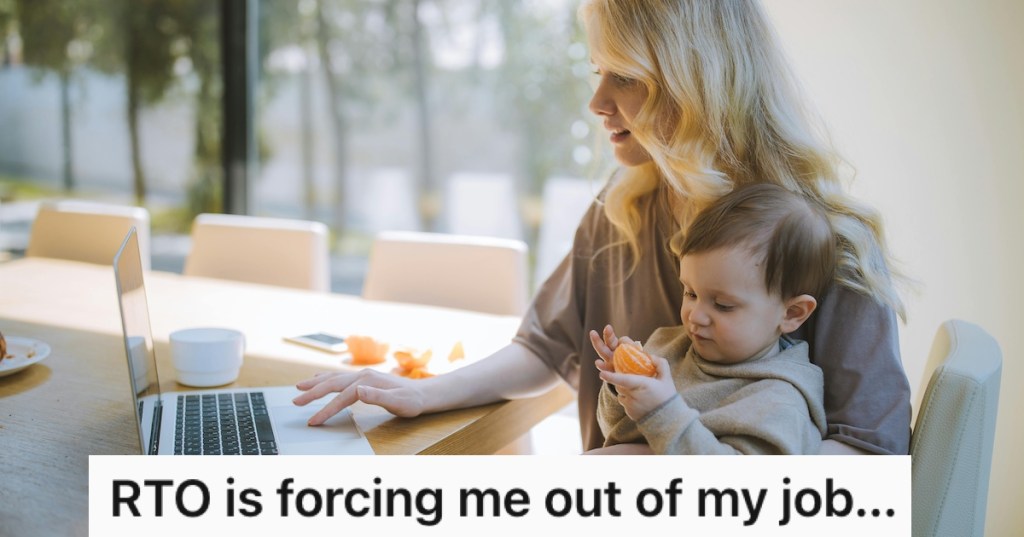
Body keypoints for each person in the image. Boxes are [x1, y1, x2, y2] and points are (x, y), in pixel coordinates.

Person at [293, 0, 911, 456]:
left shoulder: (829, 241)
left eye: (628, 77)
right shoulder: (622, 208)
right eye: (598, 72)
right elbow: (544, 347)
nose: (597, 103)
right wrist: (424, 392)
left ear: (698, 83)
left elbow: (870, 455)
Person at [590, 183, 833, 455]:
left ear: (791, 313)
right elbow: (615, 430)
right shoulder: (668, 347)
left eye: (723, 305)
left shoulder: (779, 401)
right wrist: (621, 386)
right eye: (690, 293)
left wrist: (662, 413)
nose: (695, 315)